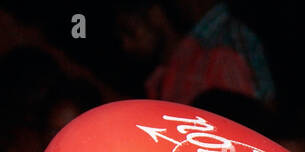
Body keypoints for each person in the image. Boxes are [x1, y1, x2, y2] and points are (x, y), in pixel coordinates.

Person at [115, 0, 275, 105]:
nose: (126, 45)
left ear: (155, 15)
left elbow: (252, 124)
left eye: (131, 32)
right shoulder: (162, 78)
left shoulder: (218, 57)